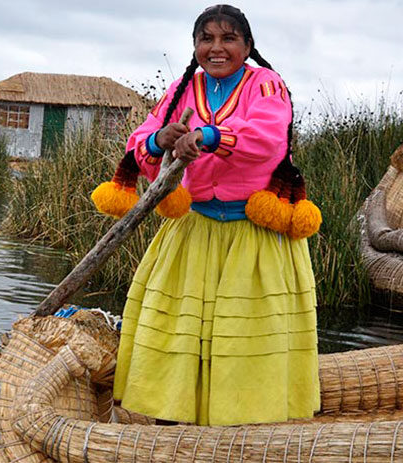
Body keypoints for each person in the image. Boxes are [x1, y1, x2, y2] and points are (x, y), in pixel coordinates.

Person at [90, 4, 322, 426]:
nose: (217, 48)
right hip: (193, 229)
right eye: (206, 39)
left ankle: (245, 426)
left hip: (253, 236)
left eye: (228, 38)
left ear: (247, 46)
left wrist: (209, 135)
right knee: (180, 332)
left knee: (244, 336)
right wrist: (161, 140)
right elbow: (141, 138)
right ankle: (172, 417)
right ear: (195, 46)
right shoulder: (181, 90)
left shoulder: (266, 85)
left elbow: (267, 137)